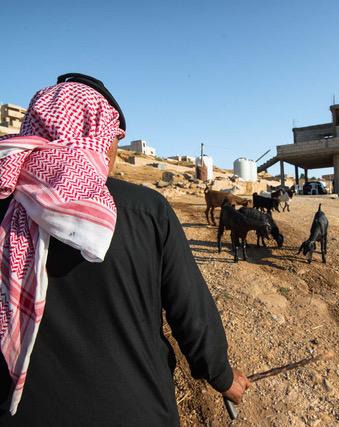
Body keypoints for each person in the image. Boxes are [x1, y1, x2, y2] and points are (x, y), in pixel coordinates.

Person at [0, 75, 250, 426]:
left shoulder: (7, 205)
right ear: (101, 138)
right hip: (135, 408)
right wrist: (222, 377)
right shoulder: (146, 210)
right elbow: (191, 314)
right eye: (114, 137)